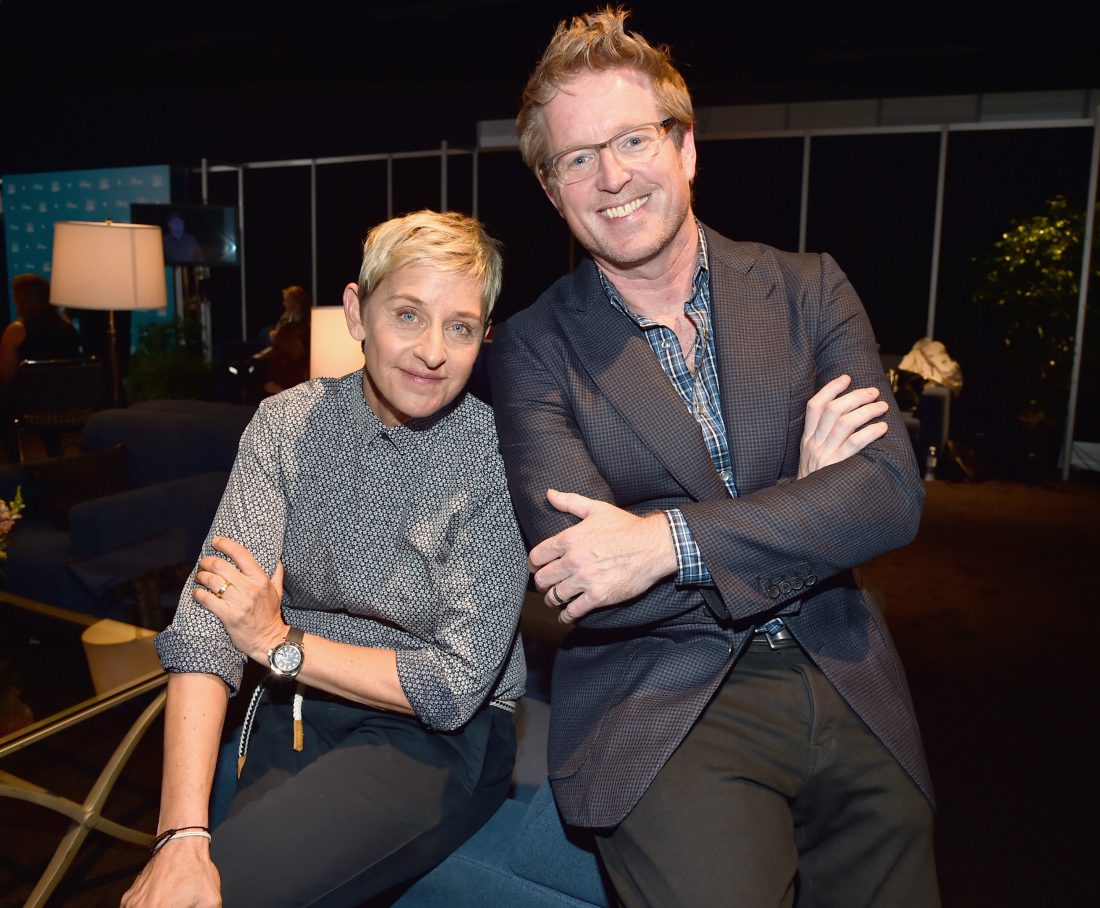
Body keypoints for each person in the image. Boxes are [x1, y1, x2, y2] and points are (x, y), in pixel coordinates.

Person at [491, 8, 939, 906]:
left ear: (685, 147)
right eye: (577, 157)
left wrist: (665, 543)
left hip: (843, 671)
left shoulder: (809, 287)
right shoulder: (534, 347)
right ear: (551, 190)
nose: (611, 176)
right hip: (663, 699)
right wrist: (811, 504)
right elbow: (588, 584)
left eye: (631, 140)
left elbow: (890, 496)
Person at [122, 210, 528, 907]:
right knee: (195, 883)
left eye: (460, 327)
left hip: (438, 741)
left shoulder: (497, 456)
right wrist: (179, 836)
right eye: (408, 314)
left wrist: (280, 643)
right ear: (356, 312)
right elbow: (206, 625)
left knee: (237, 889)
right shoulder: (288, 425)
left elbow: (454, 685)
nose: (433, 351)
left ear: (482, 336)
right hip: (297, 713)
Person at [0, 273, 83, 461]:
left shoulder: (16, 330)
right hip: (70, 403)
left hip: (32, 406)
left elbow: (6, 375)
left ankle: (15, 464)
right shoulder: (67, 327)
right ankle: (54, 454)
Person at [260, 284, 314, 394]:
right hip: (281, 352)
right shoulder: (286, 317)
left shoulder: (307, 323)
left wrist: (278, 337)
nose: (284, 303)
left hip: (290, 357)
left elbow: (296, 344)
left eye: (287, 300)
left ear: (296, 302)